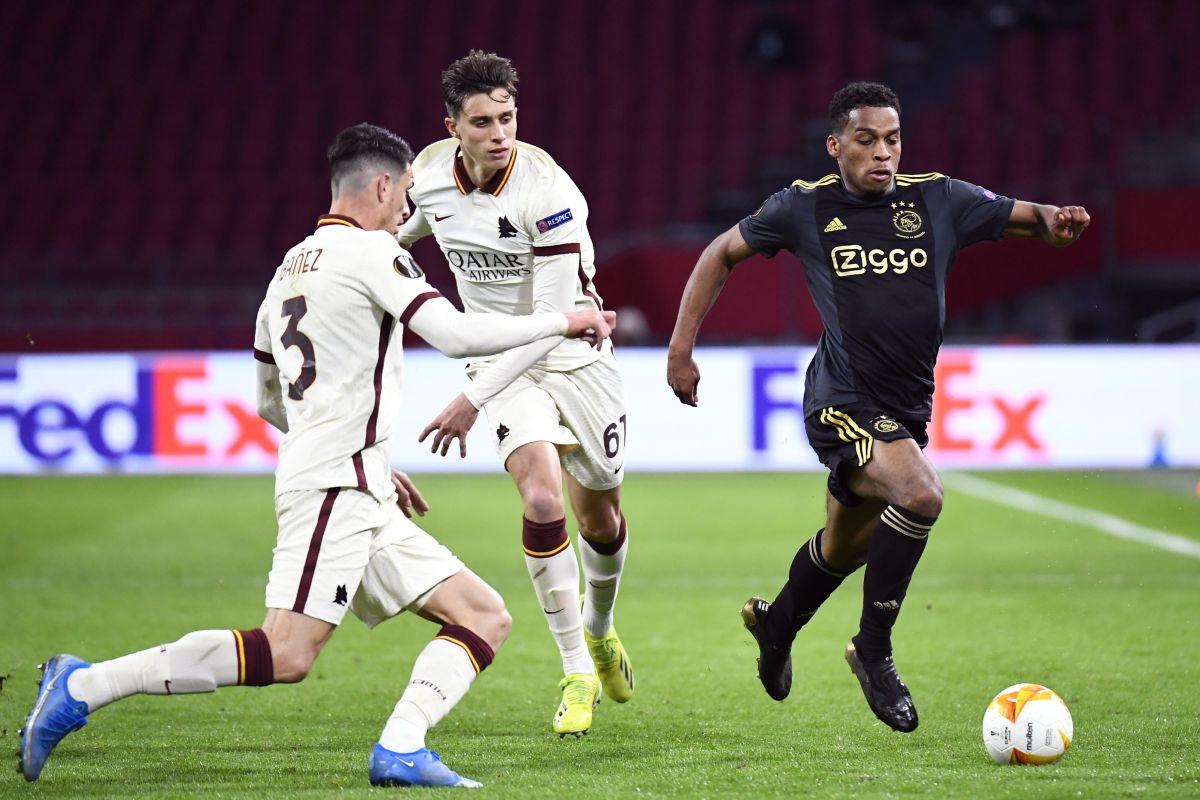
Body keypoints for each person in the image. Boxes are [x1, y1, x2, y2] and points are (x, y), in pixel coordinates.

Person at [18, 123, 615, 787]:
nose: (407, 212)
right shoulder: (373, 255)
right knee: (286, 651)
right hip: (335, 487)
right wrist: (563, 320)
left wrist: (369, 458)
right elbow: (452, 333)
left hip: (355, 483)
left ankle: (401, 748)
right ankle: (83, 687)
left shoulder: (289, 269)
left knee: (482, 615)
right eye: (405, 195)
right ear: (383, 185)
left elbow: (272, 400)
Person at [666, 82, 1090, 732]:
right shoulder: (804, 208)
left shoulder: (938, 198)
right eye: (866, 140)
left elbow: (1027, 215)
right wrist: (681, 349)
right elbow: (720, 252)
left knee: (843, 549)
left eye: (892, 139)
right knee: (921, 496)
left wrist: (1056, 222)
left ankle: (777, 626)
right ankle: (874, 649)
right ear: (836, 146)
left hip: (907, 408)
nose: (882, 153)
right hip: (841, 400)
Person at [398, 50, 634, 738]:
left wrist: (472, 399)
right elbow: (401, 235)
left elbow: (552, 325)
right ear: (452, 126)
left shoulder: (548, 193)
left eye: (507, 118)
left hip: (575, 357)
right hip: (504, 366)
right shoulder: (430, 176)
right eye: (482, 122)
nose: (500, 132)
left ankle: (599, 626)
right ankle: (574, 670)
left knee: (602, 523)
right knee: (539, 496)